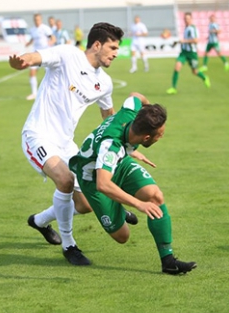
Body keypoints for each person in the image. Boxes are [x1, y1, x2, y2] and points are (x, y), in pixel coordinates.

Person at [9, 22, 135, 266]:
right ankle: (69, 245)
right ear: (96, 45)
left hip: (66, 143)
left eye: (118, 49)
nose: (116, 53)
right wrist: (22, 61)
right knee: (65, 180)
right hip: (38, 135)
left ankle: (39, 221)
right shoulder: (67, 55)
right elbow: (37, 56)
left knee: (85, 204)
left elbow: (109, 116)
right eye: (112, 47)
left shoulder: (104, 82)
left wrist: (121, 145)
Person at [69, 92, 197, 275]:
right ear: (146, 138)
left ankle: (168, 261)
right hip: (94, 178)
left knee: (155, 196)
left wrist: (150, 112)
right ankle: (120, 207)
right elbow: (103, 184)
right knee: (122, 236)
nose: (161, 138)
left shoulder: (131, 111)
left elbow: (136, 95)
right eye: (159, 135)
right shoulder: (111, 146)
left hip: (119, 164)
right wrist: (138, 204)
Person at [166, 12, 210, 95]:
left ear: (191, 19)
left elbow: (196, 40)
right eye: (185, 19)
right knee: (177, 67)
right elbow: (185, 40)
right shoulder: (186, 28)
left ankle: (204, 77)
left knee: (195, 71)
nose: (186, 20)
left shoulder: (193, 28)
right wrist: (179, 42)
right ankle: (173, 88)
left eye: (188, 19)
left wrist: (184, 41)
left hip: (192, 53)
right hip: (184, 52)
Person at [24, 13, 56, 101]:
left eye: (38, 19)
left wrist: (51, 42)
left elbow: (53, 38)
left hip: (45, 53)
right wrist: (28, 43)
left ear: (41, 20)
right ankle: (34, 93)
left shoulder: (45, 28)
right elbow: (32, 39)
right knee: (32, 72)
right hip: (35, 54)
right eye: (35, 20)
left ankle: (52, 92)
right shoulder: (33, 30)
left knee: (50, 73)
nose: (37, 21)